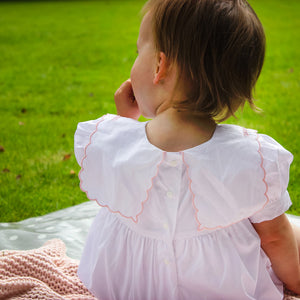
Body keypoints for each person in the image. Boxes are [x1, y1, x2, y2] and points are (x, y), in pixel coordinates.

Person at [74, 0, 300, 298]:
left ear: (159, 66)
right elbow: (274, 239)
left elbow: (117, 173)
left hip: (128, 291)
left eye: (138, 51)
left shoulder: (110, 139)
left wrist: (123, 123)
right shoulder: (251, 159)